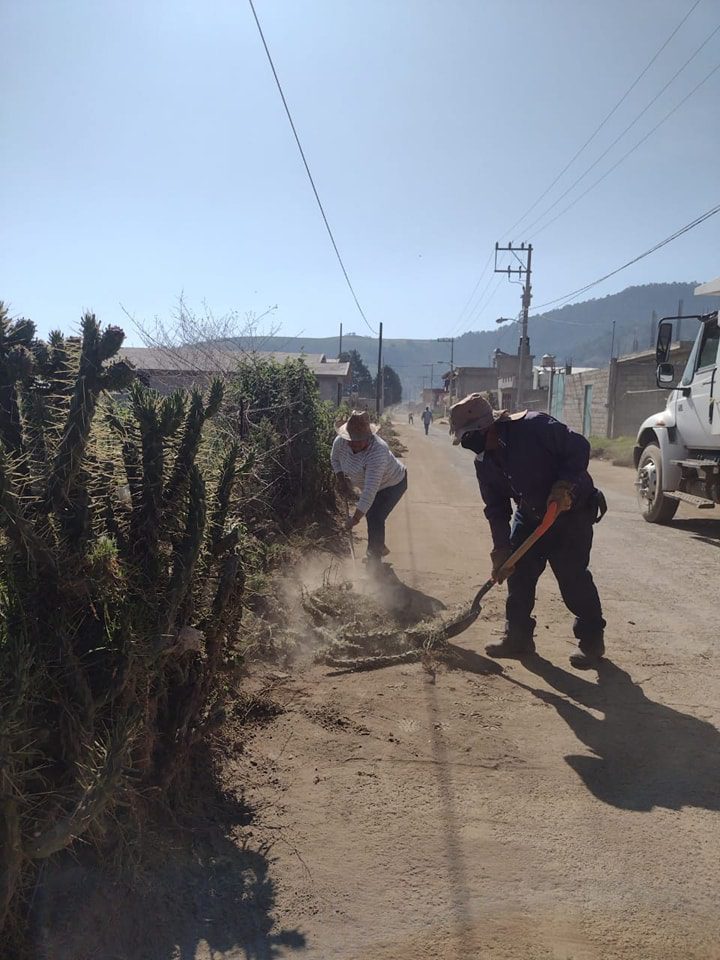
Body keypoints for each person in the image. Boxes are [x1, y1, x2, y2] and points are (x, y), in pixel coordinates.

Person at [449, 393, 606, 670]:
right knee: (518, 574)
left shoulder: (535, 427)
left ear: (487, 427)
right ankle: (518, 638)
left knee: (572, 579)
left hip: (571, 513)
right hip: (531, 514)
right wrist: (501, 550)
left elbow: (579, 447)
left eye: (469, 437)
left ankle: (591, 642)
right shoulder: (484, 462)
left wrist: (564, 485)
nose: (468, 445)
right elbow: (496, 508)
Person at [331, 410, 408, 570]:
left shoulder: (377, 452)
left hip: (392, 484)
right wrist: (341, 478)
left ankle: (374, 563)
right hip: (370, 485)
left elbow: (369, 492)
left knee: (374, 516)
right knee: (373, 517)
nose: (354, 443)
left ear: (368, 437)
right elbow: (335, 458)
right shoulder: (341, 442)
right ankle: (378, 546)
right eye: (351, 439)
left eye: (359, 440)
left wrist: (355, 519)